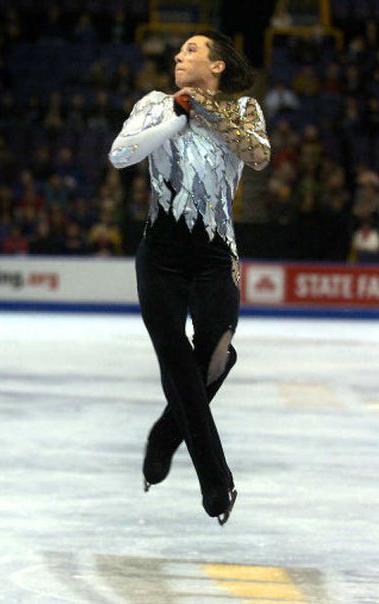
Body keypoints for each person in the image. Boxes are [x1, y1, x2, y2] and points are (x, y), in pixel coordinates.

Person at [108, 31, 271, 525]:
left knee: (216, 355)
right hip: (160, 254)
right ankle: (216, 484)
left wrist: (205, 110)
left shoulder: (244, 108)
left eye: (192, 50)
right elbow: (121, 155)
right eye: (177, 50)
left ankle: (163, 435)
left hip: (216, 255)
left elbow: (258, 155)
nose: (178, 55)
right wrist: (175, 115)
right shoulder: (156, 103)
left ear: (217, 65)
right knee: (179, 362)